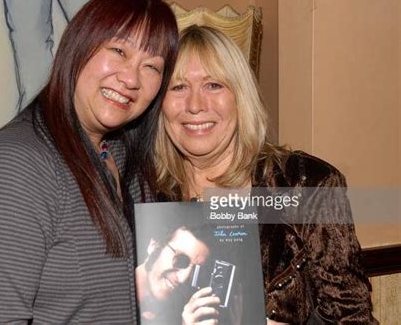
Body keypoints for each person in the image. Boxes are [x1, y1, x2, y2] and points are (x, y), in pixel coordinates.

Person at [0, 0, 178, 323]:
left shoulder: (123, 155)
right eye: (118, 50)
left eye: (152, 67)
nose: (131, 78)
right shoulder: (17, 165)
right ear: (78, 45)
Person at [154, 25, 378, 324]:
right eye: (178, 87)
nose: (195, 105)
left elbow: (354, 319)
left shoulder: (303, 185)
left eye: (214, 85)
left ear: (240, 96)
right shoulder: (143, 191)